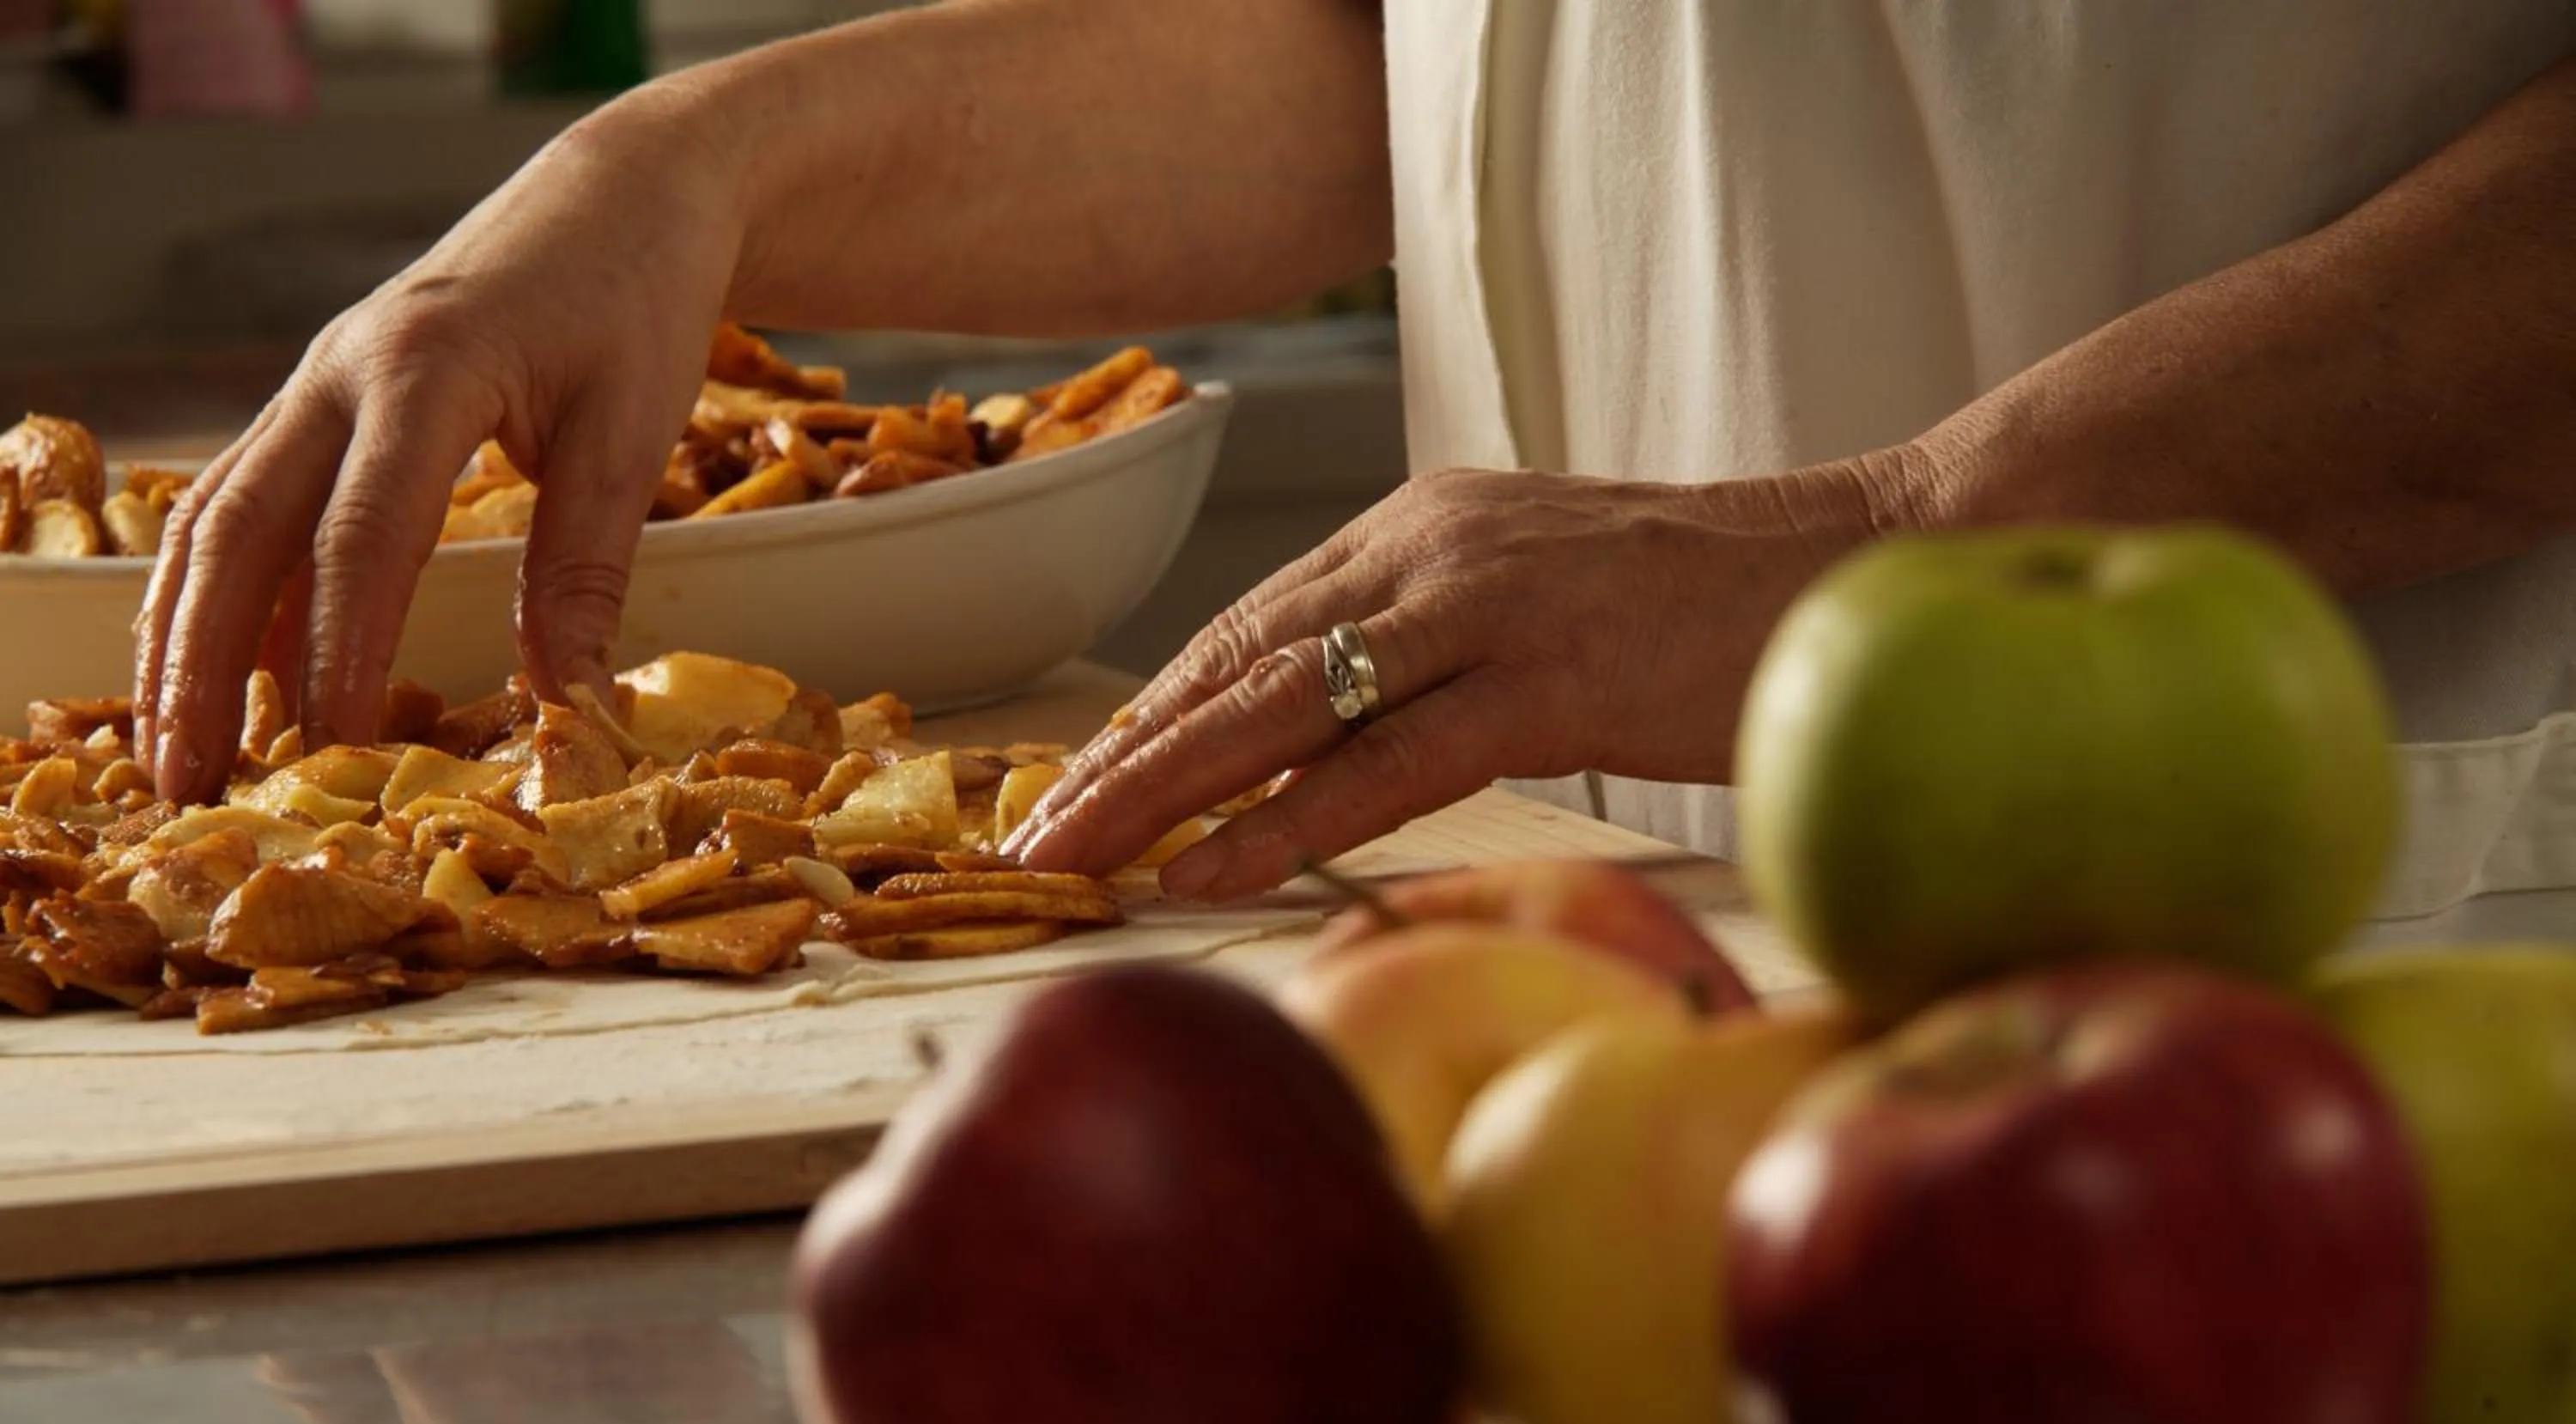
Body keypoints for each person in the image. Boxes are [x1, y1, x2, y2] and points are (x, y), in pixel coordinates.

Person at [134, 2, 2576, 935]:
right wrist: (705, 162)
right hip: (1596, 995)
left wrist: (1895, 541)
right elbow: (1415, 59)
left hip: (2359, 953)